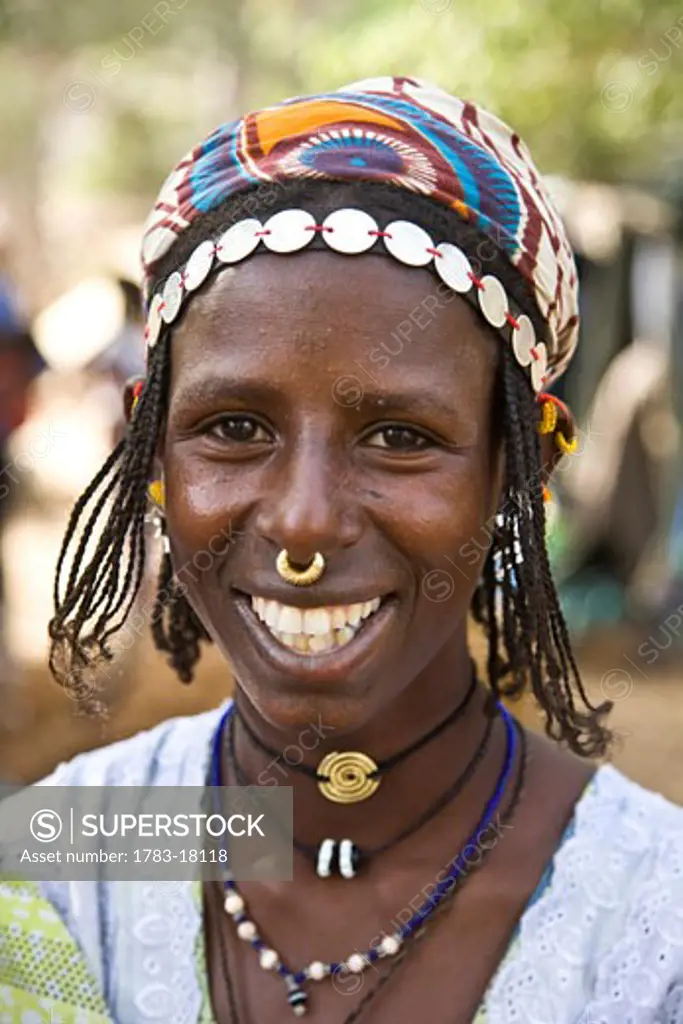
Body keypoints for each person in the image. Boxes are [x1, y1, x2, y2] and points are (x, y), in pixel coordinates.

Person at [1, 75, 682, 1023]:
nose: (304, 523)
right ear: (151, 449)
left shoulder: (653, 925)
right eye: (235, 427)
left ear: (522, 467)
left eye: (400, 437)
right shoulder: (66, 860)